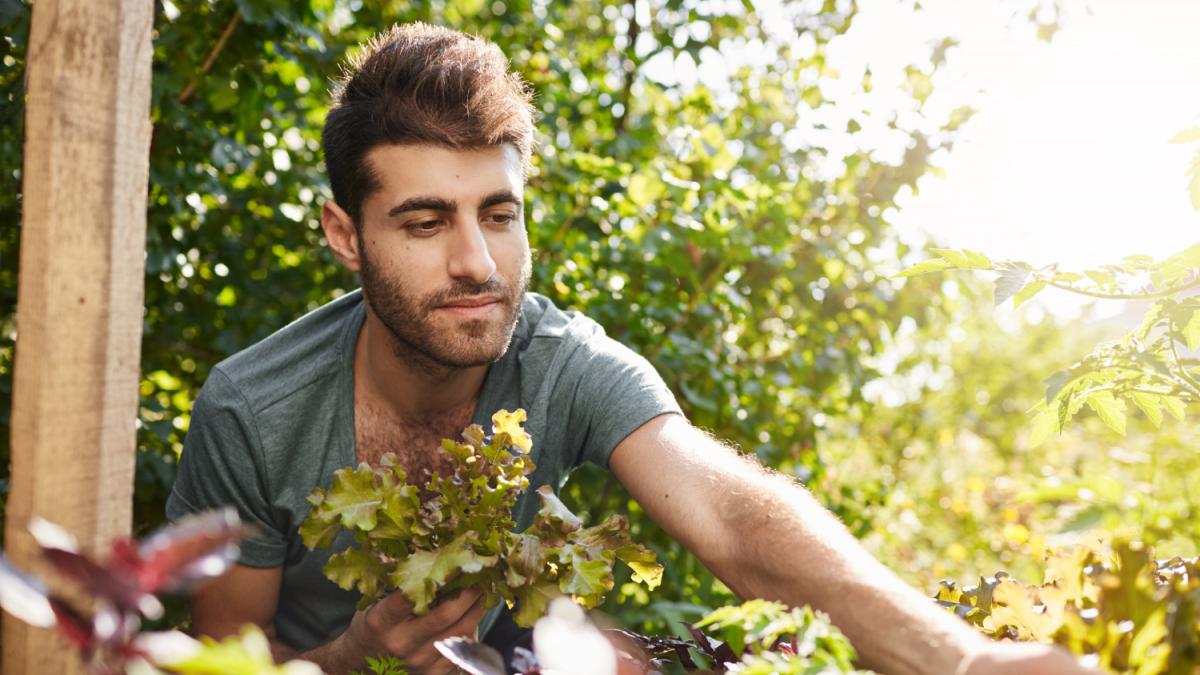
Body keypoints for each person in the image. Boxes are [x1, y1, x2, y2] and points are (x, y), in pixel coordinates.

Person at [167, 22, 1098, 675]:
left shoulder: (560, 359)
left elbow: (732, 512)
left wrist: (961, 656)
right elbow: (227, 667)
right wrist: (352, 657)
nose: (475, 261)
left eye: (499, 214)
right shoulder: (254, 409)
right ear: (344, 233)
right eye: (423, 221)